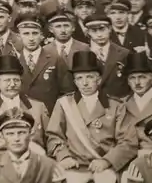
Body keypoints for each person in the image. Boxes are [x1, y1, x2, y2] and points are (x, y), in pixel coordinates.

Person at [46, 51, 138, 183]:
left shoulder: (116, 105)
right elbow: (54, 136)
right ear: (75, 82)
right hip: (75, 165)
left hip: (105, 166)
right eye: (79, 78)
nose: (84, 83)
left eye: (89, 77)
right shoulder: (64, 104)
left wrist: (107, 161)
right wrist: (64, 157)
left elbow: (128, 141)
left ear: (99, 80)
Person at [0, 55, 49, 165]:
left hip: (35, 164)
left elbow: (50, 140)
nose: (12, 84)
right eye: (7, 80)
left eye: (16, 80)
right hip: (0, 165)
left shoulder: (38, 107)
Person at [0, 108, 64, 183]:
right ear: (2, 136)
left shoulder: (49, 167)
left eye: (21, 133)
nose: (16, 138)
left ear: (31, 134)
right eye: (10, 134)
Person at [15, 13, 73, 112]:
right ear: (18, 36)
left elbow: (67, 92)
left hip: (49, 115)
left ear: (42, 36)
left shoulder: (55, 59)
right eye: (26, 33)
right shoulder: (14, 59)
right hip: (22, 115)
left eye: (35, 33)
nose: (31, 38)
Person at [119, 53, 152, 183]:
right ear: (127, 81)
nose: (137, 82)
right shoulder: (121, 105)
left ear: (151, 77)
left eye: (142, 77)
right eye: (132, 78)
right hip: (127, 158)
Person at [84, 14, 131, 97]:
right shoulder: (82, 53)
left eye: (102, 29)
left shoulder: (124, 53)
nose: (99, 35)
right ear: (88, 32)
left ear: (110, 29)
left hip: (118, 103)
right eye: (94, 30)